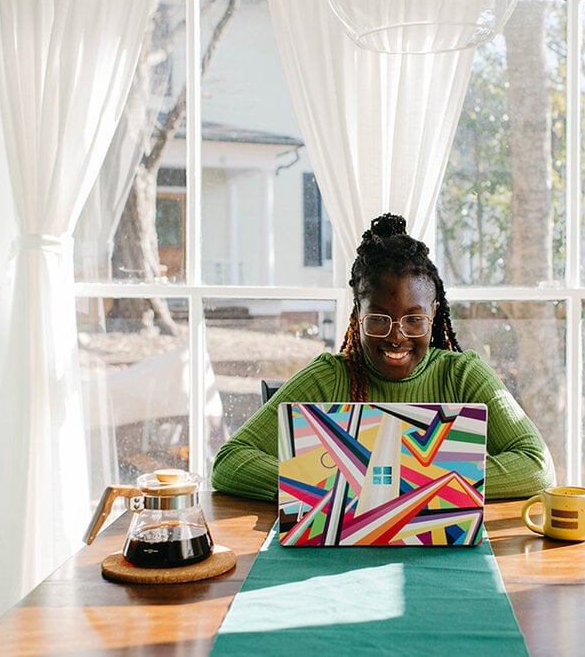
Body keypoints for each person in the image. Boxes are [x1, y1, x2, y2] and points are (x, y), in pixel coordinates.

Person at [211, 213, 556, 501]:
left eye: (414, 319)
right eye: (378, 318)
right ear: (357, 314)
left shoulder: (461, 375)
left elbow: (537, 466)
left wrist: (399, 488)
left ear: (433, 315)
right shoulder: (329, 378)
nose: (396, 335)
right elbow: (229, 462)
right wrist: (326, 486)